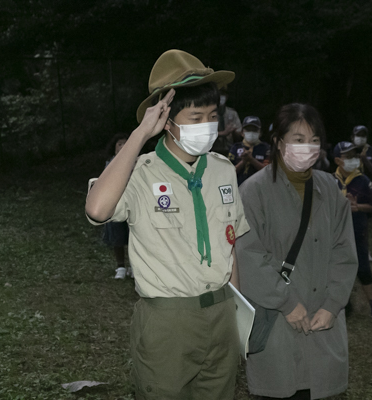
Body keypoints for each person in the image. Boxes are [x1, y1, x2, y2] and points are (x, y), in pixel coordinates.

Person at [85, 50, 249, 399]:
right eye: (195, 117)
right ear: (167, 119)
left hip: (221, 314)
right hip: (167, 322)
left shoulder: (222, 169)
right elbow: (98, 209)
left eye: (211, 116)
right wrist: (141, 133)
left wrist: (238, 314)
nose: (206, 125)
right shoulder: (139, 173)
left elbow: (230, 245)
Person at [235, 103, 358, 400]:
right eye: (298, 139)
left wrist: (333, 304)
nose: (308, 147)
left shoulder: (330, 188)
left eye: (315, 140)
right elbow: (247, 255)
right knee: (281, 387)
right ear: (278, 143)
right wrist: (286, 302)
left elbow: (344, 251)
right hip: (278, 322)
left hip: (323, 324)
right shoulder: (254, 191)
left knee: (325, 389)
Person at [333, 141, 372, 324]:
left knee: (363, 268)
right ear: (338, 160)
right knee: (337, 269)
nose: (353, 160)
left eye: (355, 156)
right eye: (348, 157)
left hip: (357, 229)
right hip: (336, 233)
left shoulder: (363, 180)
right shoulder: (330, 181)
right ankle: (342, 306)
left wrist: (358, 207)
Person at [101, 133, 132, 279]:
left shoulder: (138, 163)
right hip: (116, 204)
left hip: (134, 204)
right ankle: (120, 267)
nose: (123, 146)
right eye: (119, 144)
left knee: (135, 235)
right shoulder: (110, 164)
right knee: (117, 234)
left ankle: (134, 266)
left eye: (126, 143)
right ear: (114, 149)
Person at [229, 115, 271, 185]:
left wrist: (252, 160)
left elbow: (268, 172)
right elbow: (229, 172)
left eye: (254, 130)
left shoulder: (266, 148)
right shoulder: (235, 147)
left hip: (259, 186)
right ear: (242, 132)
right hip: (238, 186)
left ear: (260, 133)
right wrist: (243, 161)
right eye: (248, 130)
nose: (251, 132)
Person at [212, 90, 242, 156]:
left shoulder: (232, 113)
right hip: (213, 149)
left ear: (226, 97)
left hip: (230, 148)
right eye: (219, 95)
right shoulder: (210, 113)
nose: (221, 98)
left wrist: (234, 131)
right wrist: (224, 133)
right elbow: (207, 133)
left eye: (223, 95)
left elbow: (239, 135)